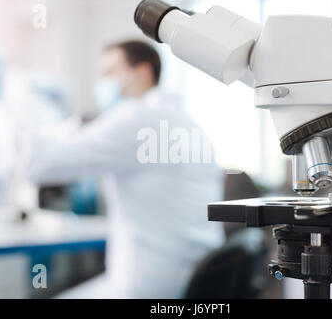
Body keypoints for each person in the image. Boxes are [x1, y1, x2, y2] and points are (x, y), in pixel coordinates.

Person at [23, 40, 225, 298]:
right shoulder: (185, 121)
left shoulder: (135, 118)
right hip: (193, 278)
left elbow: (38, 166)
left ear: (142, 72)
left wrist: (50, 116)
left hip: (148, 286)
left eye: (110, 73)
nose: (101, 83)